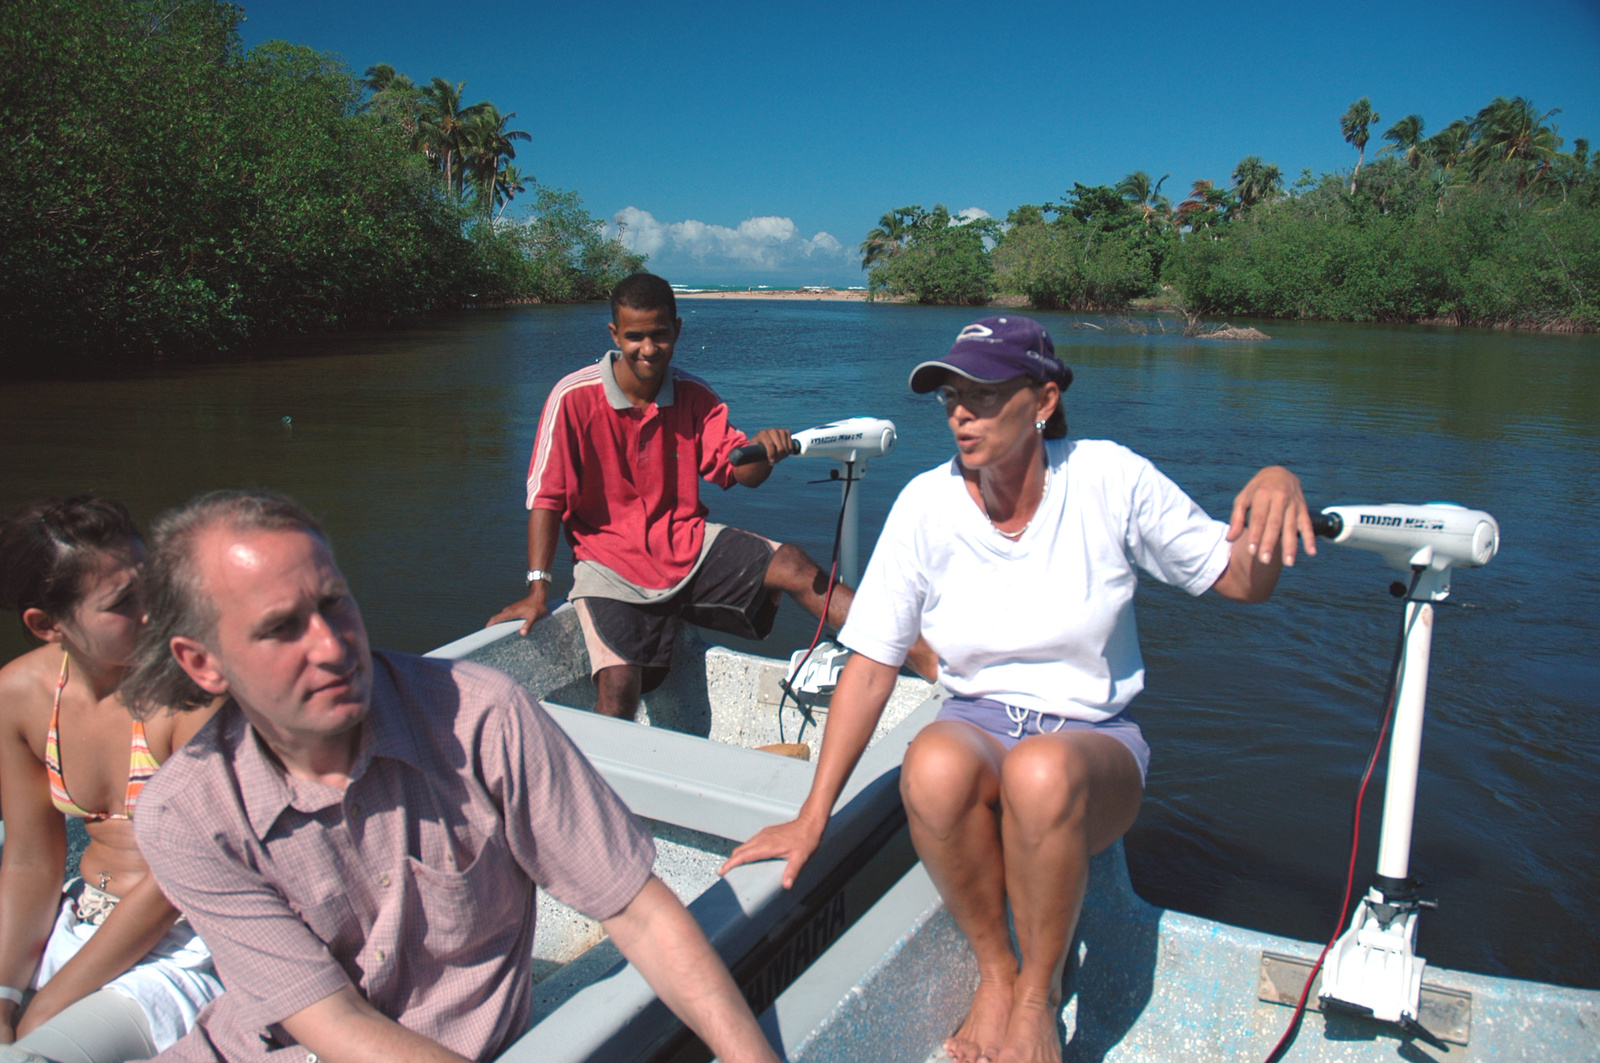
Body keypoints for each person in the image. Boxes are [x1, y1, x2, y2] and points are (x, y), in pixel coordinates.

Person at [721, 316, 1315, 1063]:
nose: (960, 411)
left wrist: (1273, 490)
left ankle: (1039, 993)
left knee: (1041, 771)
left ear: (1042, 398)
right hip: (978, 722)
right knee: (930, 764)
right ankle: (998, 973)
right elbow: (871, 665)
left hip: (1093, 744)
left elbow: (1238, 580)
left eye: (984, 394)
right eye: (949, 396)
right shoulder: (924, 506)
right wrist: (814, 816)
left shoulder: (1106, 477)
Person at [119, 489, 780, 1063]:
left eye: (334, 603)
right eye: (282, 628)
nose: (331, 646)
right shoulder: (186, 816)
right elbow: (333, 1024)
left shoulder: (482, 716)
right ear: (202, 663)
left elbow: (636, 909)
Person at [488, 272, 933, 718]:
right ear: (614, 334)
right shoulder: (573, 397)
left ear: (677, 331)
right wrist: (537, 588)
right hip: (607, 566)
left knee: (795, 565)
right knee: (620, 683)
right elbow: (547, 497)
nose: (648, 348)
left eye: (659, 335)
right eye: (635, 336)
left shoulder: (695, 396)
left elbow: (740, 471)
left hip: (685, 545)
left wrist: (767, 452)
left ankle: (926, 658)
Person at [0, 497, 223, 1063]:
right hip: (76, 928)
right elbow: (31, 860)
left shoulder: (193, 696)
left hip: (185, 951)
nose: (156, 611)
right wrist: (4, 995)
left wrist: (45, 1007)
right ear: (46, 625)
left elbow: (176, 882)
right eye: (124, 602)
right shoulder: (21, 696)